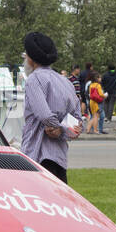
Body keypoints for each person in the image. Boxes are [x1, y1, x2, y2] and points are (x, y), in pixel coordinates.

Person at [20, 32, 75, 182]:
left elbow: (43, 114)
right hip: (59, 158)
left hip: (37, 156)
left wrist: (56, 128)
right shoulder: (65, 82)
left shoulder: (34, 80)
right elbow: (77, 122)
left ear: (31, 59)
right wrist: (63, 130)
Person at [101, 65, 116, 131]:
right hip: (114, 92)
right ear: (114, 68)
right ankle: (109, 118)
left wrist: (104, 89)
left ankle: (106, 116)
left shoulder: (105, 75)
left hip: (106, 91)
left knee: (106, 104)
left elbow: (102, 82)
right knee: (111, 104)